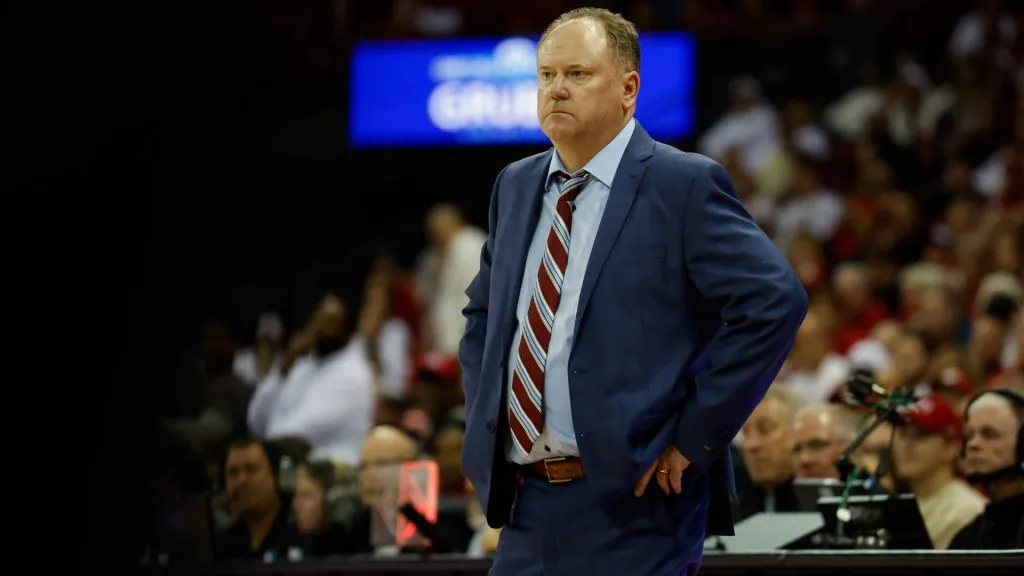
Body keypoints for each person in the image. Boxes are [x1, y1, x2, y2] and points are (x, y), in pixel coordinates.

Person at [458, 8, 807, 575]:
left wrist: (696, 437)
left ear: (628, 89)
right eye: (546, 75)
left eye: (577, 74)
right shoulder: (515, 184)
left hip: (637, 506)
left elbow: (775, 301)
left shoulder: (681, 182)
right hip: (526, 505)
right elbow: (483, 316)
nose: (557, 89)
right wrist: (487, 429)